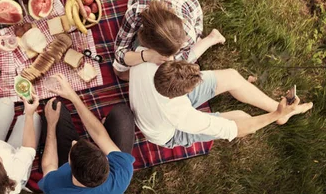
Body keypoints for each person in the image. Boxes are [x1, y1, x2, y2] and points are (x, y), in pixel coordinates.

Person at [129, 58, 314, 148]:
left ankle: (279, 108)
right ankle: (282, 114)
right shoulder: (182, 116)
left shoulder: (146, 61)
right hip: (169, 131)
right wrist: (276, 116)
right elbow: (237, 129)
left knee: (232, 76)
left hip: (158, 99)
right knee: (242, 118)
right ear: (182, 95)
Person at [38, 74, 135, 194]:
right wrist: (72, 96)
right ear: (105, 159)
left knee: (53, 106)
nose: (74, 142)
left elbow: (49, 165)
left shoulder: (57, 189)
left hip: (74, 188)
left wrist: (51, 125)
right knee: (123, 115)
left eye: (73, 149)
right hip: (103, 187)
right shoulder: (123, 169)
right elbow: (100, 136)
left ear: (68, 167)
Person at [113, 0, 225, 81]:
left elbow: (181, 58)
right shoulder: (135, 12)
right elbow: (120, 51)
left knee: (181, 62)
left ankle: (212, 38)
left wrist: (169, 59)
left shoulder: (188, 35)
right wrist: (147, 56)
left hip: (189, 7)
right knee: (120, 72)